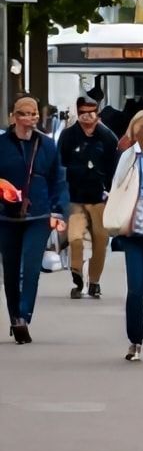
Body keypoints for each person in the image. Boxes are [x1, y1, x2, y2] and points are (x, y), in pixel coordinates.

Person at [0, 97, 68, 343]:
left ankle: (24, 316)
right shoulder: (2, 144)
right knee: (10, 270)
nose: (29, 119)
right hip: (6, 215)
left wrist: (59, 211)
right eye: (23, 114)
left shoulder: (47, 145)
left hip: (38, 213)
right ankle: (14, 316)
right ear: (13, 117)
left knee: (30, 267)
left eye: (33, 114)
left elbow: (58, 179)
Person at [59, 96, 118, 299]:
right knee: (75, 238)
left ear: (97, 113)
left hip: (100, 198)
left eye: (91, 113)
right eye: (83, 113)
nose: (87, 117)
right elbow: (61, 164)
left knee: (100, 241)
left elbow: (114, 166)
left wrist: (111, 190)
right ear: (78, 112)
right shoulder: (68, 136)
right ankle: (77, 277)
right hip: (75, 197)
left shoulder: (107, 137)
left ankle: (94, 281)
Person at [106, 110, 143, 361]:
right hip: (134, 231)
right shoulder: (129, 157)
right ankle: (135, 339)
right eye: (141, 130)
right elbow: (117, 186)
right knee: (136, 289)